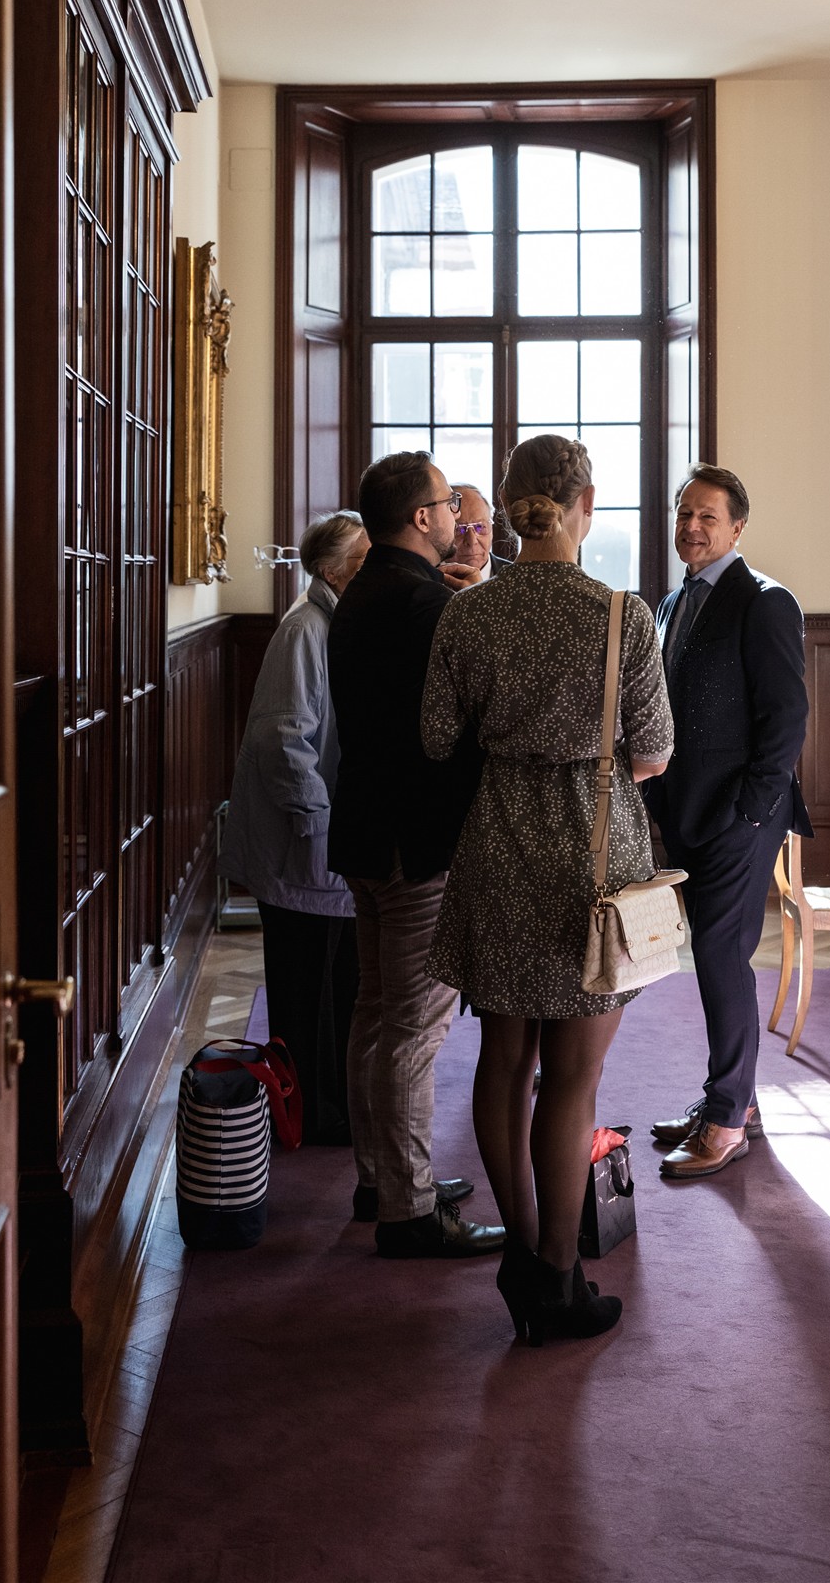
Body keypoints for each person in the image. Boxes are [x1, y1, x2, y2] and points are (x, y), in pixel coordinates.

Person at [421, 435, 673, 1344]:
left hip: (497, 852)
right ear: (585, 504)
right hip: (592, 864)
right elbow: (652, 753)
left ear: (509, 504)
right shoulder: (621, 616)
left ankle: (518, 1250)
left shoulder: (467, 616)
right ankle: (560, 1278)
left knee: (501, 1059)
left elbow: (438, 739)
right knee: (574, 1077)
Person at [327, 452, 503, 1260]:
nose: (458, 518)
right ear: (421, 518)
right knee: (414, 1028)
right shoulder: (425, 602)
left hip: (364, 826)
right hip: (414, 839)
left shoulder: (362, 590)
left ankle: (380, 1175)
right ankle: (408, 1208)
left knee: (373, 1012)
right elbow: (464, 725)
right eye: (446, 504)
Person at [645, 465, 812, 1180]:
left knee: (718, 956)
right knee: (712, 956)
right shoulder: (671, 602)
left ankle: (724, 1121)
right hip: (684, 812)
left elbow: (786, 718)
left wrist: (749, 812)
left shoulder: (764, 602)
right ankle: (735, 1099)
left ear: (737, 528)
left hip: (740, 819)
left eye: (708, 517)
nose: (692, 526)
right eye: (685, 513)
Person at [219, 511, 369, 1144]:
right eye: (364, 557)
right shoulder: (307, 629)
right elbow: (285, 741)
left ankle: (328, 1108)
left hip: (324, 847)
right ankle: (308, 1112)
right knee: (306, 992)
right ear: (334, 570)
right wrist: (323, 829)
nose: (376, 566)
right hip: (304, 846)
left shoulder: (336, 623)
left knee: (335, 989)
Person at [445, 485, 511, 582]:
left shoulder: (517, 578)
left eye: (480, 527)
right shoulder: (425, 580)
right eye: (459, 529)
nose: (472, 541)